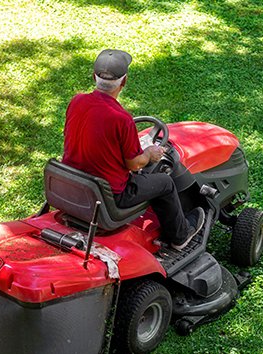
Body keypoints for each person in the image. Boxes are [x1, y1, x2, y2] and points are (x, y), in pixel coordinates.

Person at [62, 49, 204, 251]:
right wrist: (150, 153)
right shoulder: (121, 119)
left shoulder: (76, 102)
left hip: (74, 183)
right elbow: (135, 163)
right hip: (110, 196)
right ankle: (180, 236)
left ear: (94, 77)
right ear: (124, 82)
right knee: (164, 182)